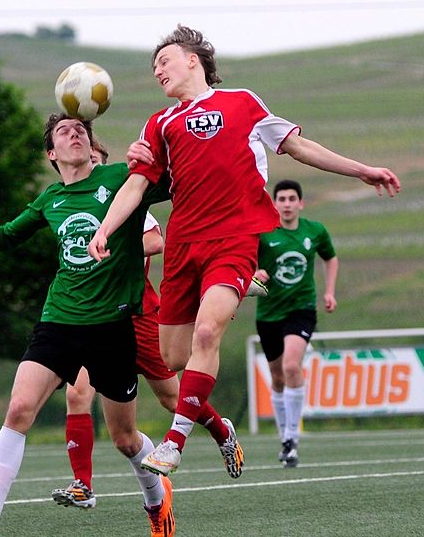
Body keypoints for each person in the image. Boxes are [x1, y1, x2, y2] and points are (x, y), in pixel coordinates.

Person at [87, 25, 400, 478]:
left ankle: (175, 443)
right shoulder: (159, 123)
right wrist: (105, 229)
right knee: (174, 357)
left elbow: (299, 147)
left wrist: (362, 170)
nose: (157, 70)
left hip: (233, 240)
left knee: (208, 334)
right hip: (183, 246)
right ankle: (239, 294)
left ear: (193, 59)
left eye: (164, 61)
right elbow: (136, 184)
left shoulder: (243, 103)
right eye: (153, 66)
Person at [0, 114, 176, 537]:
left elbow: (177, 182)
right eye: (64, 131)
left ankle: (157, 501)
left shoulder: (122, 177)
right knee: (18, 409)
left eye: (80, 128)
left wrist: (153, 158)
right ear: (52, 153)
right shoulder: (50, 199)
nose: (75, 133)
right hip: (59, 321)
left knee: (124, 439)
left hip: (113, 326)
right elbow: (7, 235)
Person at [52, 139, 236, 511]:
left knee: (171, 398)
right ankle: (82, 485)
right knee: (77, 394)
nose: (91, 166)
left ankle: (221, 430)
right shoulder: (71, 205)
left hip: (139, 317)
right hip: (95, 319)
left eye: (96, 160)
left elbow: (156, 241)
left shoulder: (128, 201)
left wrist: (112, 240)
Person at [254, 180, 338, 468]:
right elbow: (243, 261)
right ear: (275, 203)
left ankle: (293, 436)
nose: (287, 203)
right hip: (268, 313)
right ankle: (284, 437)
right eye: (282, 199)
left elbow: (330, 257)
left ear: (300, 203)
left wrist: (329, 291)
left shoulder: (315, 231)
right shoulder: (264, 234)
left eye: (292, 199)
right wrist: (255, 272)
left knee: (292, 366)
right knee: (277, 377)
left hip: (301, 309)